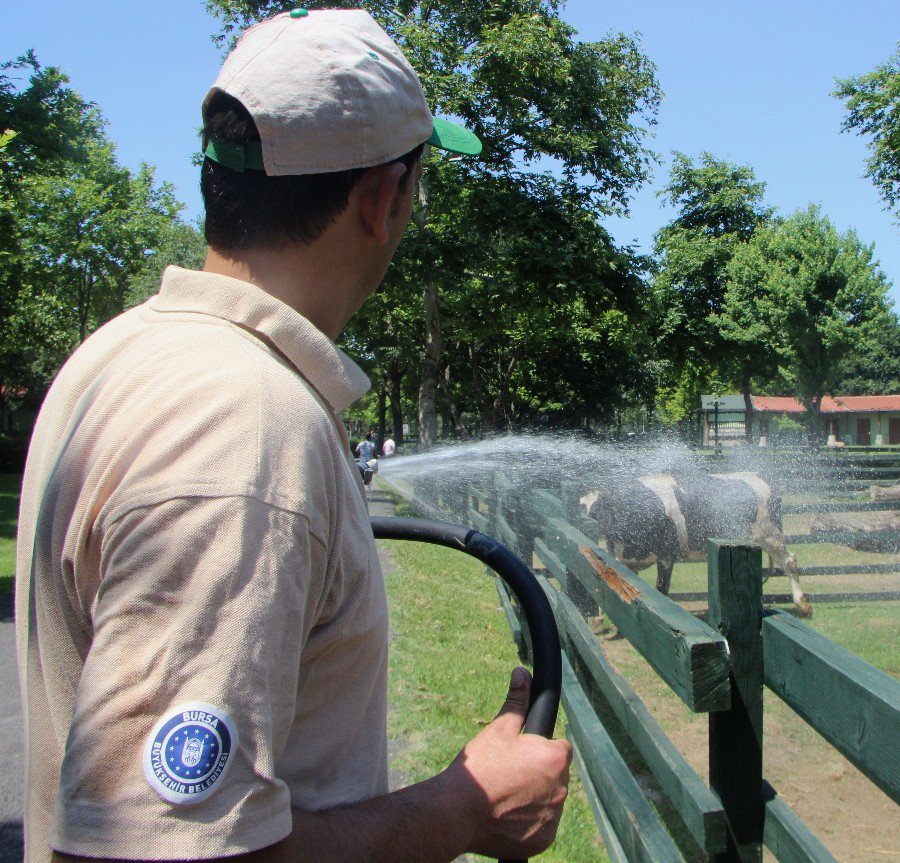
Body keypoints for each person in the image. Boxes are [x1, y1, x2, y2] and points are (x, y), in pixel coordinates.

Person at [15, 9, 571, 863]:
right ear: (381, 199)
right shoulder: (244, 428)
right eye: (417, 185)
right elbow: (161, 852)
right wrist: (466, 804)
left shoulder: (116, 353)